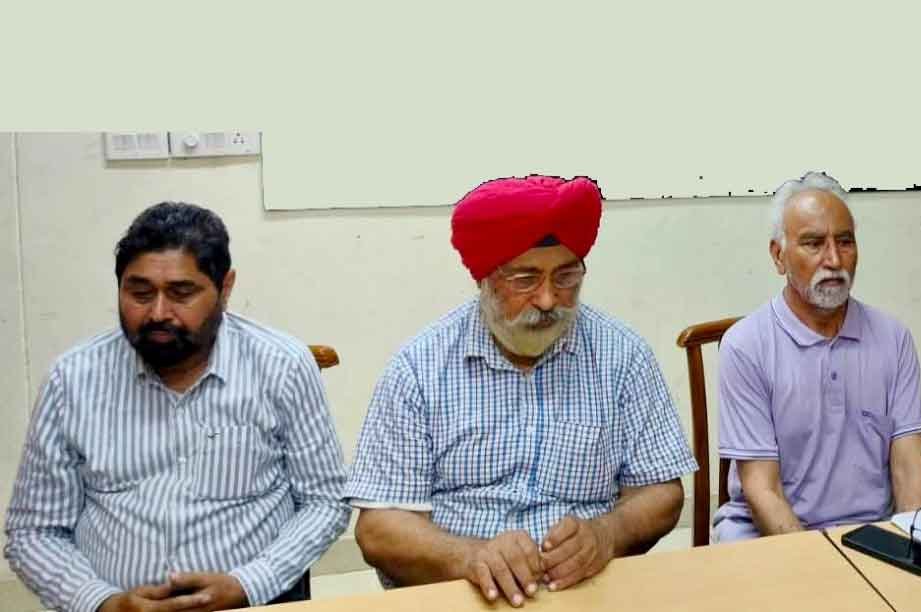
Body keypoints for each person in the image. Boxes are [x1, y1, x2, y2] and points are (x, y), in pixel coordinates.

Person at [344, 175, 697, 607]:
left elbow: (661, 492)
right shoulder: (419, 368)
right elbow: (379, 527)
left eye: (566, 277)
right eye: (526, 279)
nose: (548, 300)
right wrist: (469, 557)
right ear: (485, 279)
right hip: (459, 591)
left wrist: (607, 534)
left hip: (587, 589)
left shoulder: (622, 355)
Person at [4, 202, 350, 611]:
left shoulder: (282, 366)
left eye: (182, 294)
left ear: (225, 288)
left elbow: (325, 501)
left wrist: (247, 584)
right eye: (139, 293)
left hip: (252, 602)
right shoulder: (72, 379)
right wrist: (103, 602)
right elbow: (34, 531)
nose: (158, 313)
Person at [713, 171, 921, 541]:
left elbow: (910, 466)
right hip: (768, 534)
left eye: (845, 242)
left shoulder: (892, 338)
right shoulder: (746, 345)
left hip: (868, 530)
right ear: (779, 256)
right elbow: (762, 490)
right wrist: (817, 564)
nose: (834, 259)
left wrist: (914, 547)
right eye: (814, 244)